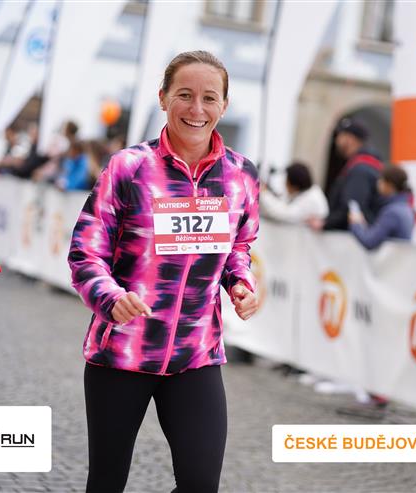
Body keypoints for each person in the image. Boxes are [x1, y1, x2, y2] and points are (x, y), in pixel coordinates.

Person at [68, 50, 260, 493]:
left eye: (209, 98)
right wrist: (111, 297)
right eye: (185, 95)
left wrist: (241, 283)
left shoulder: (241, 175)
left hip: (196, 353)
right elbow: (85, 251)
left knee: (200, 484)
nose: (197, 109)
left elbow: (239, 247)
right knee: (106, 483)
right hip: (124, 351)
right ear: (163, 98)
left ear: (224, 105)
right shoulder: (129, 167)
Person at [314, 118, 383, 231]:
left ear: (350, 139)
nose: (336, 140)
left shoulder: (360, 169)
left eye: (340, 135)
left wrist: (325, 223)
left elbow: (352, 207)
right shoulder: (365, 165)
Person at [348, 166, 415, 250]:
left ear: (389, 185)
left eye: (381, 180)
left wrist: (356, 224)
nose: (378, 183)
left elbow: (369, 241)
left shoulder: (392, 212)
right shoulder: (406, 208)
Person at [260, 161, 328, 224]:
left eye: (287, 181)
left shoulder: (311, 200)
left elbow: (282, 214)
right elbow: (283, 205)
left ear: (295, 186)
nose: (285, 185)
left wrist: (264, 193)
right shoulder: (309, 192)